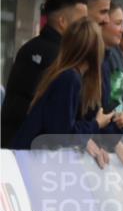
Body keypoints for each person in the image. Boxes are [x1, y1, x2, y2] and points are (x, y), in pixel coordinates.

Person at [2, 0, 88, 147]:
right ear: (62, 21)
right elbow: (59, 125)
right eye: (82, 22)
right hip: (33, 153)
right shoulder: (61, 59)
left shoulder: (30, 47)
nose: (86, 28)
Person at [10, 18, 113, 149]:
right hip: (33, 160)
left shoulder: (63, 74)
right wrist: (96, 124)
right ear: (95, 49)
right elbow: (61, 135)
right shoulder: (70, 78)